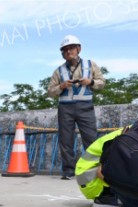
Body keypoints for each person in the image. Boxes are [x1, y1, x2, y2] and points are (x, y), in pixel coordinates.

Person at [76, 105, 138, 207]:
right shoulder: (130, 138)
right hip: (90, 178)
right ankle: (106, 197)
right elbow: (101, 172)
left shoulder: (134, 132)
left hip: (89, 174)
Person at [48, 35, 105, 180]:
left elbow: (102, 82)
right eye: (65, 50)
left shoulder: (90, 64)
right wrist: (61, 86)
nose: (68, 52)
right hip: (65, 108)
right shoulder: (58, 71)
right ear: (62, 53)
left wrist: (90, 82)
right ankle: (68, 171)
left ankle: (94, 169)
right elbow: (50, 91)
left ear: (78, 49)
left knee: (91, 139)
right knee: (66, 140)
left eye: (71, 48)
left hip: (85, 106)